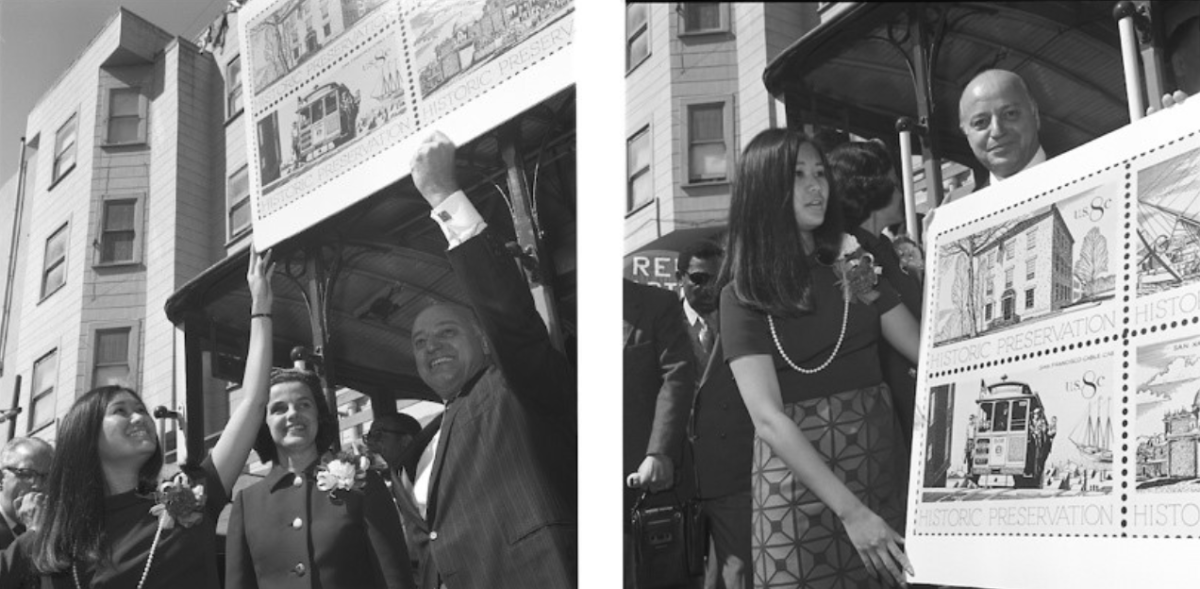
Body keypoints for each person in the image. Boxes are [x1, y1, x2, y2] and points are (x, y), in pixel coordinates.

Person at [0, 249, 277, 588]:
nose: (139, 417)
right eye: (120, 411)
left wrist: (261, 307)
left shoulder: (192, 494)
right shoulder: (49, 541)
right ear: (85, 438)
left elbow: (252, 402)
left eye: (141, 409)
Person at [719, 128, 921, 588]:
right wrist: (851, 512)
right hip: (797, 493)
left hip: (878, 468)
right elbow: (767, 418)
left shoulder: (853, 264)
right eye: (798, 176)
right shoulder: (741, 296)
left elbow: (917, 345)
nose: (817, 186)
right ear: (764, 189)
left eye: (820, 173)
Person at [407, 131, 576, 588]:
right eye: (420, 342)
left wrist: (442, 195)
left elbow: (508, 313)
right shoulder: (421, 446)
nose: (432, 347)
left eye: (446, 332)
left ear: (483, 340)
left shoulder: (514, 384)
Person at [225, 368, 414, 588]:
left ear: (318, 414)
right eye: (279, 409)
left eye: (304, 404)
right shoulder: (247, 504)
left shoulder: (364, 485)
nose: (293, 414)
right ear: (264, 424)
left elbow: (395, 580)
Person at [829, 140, 924, 445]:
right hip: (894, 413)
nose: (900, 193)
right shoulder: (851, 258)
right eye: (895, 184)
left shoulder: (885, 248)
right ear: (873, 189)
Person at [685, 241, 755, 589]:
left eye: (718, 278)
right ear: (680, 279)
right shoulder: (661, 322)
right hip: (680, 477)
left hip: (733, 474)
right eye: (698, 278)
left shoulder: (740, 318)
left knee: (736, 573)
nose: (708, 287)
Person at [622, 278, 695, 588]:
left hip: (653, 487)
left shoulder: (656, 303)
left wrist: (659, 450)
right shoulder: (559, 313)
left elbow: (677, 374)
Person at [365, 413, 434, 587]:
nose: (372, 444)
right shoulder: (393, 478)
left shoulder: (434, 470)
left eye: (379, 435)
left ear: (406, 439)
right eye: (369, 437)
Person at [0, 438, 52, 550]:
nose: (38, 486)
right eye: (27, 474)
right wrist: (33, 534)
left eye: (47, 477)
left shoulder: (56, 533)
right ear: (1, 479)